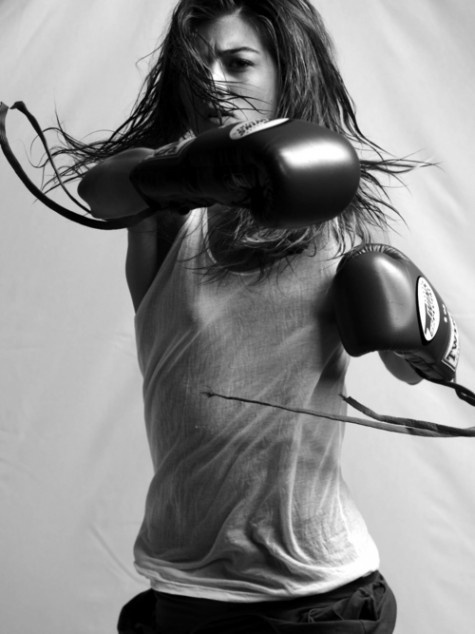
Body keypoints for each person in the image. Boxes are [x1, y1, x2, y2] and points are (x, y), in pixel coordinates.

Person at [49, 1, 425, 631]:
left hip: (320, 596)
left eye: (238, 62)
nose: (214, 83)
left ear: (286, 70)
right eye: (199, 67)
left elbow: (411, 369)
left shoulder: (337, 227)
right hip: (187, 589)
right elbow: (100, 191)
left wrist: (421, 337)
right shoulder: (167, 211)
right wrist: (198, 171)